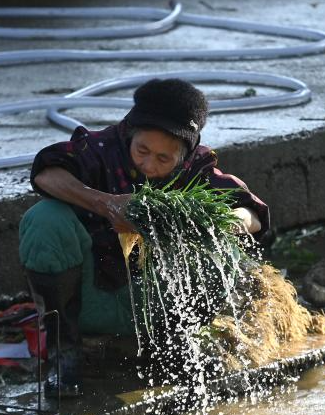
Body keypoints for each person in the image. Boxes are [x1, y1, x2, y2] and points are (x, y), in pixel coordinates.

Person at [19, 78, 270, 396]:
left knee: (221, 244)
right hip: (94, 297)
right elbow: (45, 171)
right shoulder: (99, 150)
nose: (150, 165)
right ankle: (64, 356)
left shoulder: (197, 171)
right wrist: (103, 202)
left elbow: (253, 214)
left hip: (157, 302)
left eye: (164, 159)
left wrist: (214, 224)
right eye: (142, 151)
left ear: (185, 154)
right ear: (129, 134)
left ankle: (175, 348)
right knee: (45, 218)